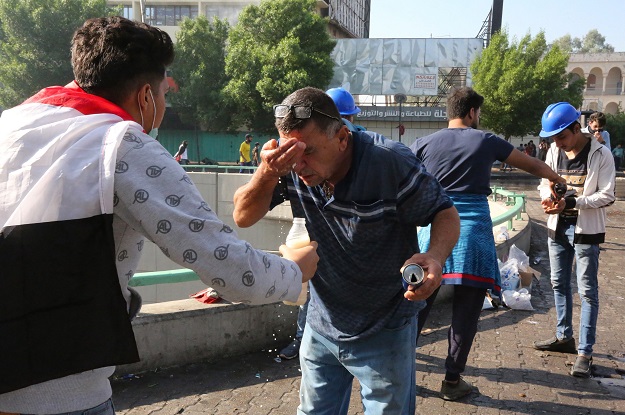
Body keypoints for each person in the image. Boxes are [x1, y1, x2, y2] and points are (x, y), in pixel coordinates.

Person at [0, 17, 319, 414]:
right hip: (57, 390)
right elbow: (233, 272)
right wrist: (293, 270)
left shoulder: (9, 124)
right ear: (146, 97)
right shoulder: (122, 142)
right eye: (166, 92)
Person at [233, 87, 460, 414]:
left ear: (342, 137)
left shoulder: (389, 162)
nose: (298, 164)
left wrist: (435, 256)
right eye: (289, 151)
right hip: (321, 322)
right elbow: (242, 216)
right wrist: (268, 171)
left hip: (386, 326)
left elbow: (444, 212)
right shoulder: (290, 168)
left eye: (307, 151)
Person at [410, 87, 565, 401]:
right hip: (473, 236)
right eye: (478, 113)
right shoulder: (486, 140)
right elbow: (531, 165)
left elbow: (401, 176)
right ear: (471, 113)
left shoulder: (423, 143)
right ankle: (452, 382)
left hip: (432, 234)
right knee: (466, 312)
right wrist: (556, 179)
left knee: (418, 306)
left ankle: (398, 370)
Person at [278, 87, 368, 361]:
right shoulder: (365, 145)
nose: (301, 164)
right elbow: (243, 215)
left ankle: (302, 340)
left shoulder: (367, 149)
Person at [533, 102, 615, 378]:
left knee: (587, 290)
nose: (557, 142)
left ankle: (585, 352)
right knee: (558, 283)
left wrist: (573, 201)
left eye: (561, 136)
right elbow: (544, 180)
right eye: (554, 138)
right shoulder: (554, 151)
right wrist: (547, 196)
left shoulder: (601, 154)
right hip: (557, 228)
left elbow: (607, 195)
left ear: (576, 129)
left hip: (586, 231)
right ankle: (563, 337)